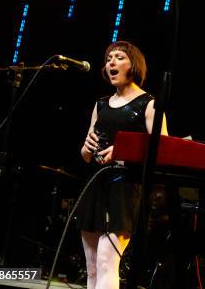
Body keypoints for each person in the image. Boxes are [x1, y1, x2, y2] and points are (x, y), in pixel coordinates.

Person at [78, 41, 168, 289]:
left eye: (118, 58)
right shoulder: (101, 104)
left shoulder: (148, 104)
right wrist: (86, 148)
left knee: (107, 261)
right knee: (93, 266)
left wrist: (125, 154)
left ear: (133, 65)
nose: (111, 63)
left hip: (126, 189)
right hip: (96, 185)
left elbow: (165, 152)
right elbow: (86, 155)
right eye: (108, 59)